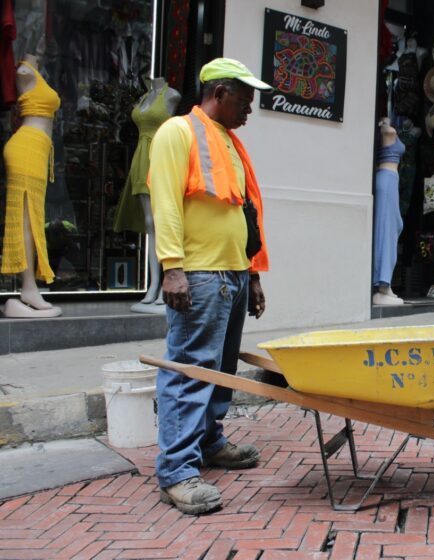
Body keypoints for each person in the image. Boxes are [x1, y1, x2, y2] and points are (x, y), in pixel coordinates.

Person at [148, 58, 271, 515]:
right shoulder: (178, 133)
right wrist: (172, 267)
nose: (250, 109)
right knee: (189, 369)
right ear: (219, 93)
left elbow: (245, 213)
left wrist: (252, 274)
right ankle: (177, 471)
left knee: (219, 370)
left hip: (232, 274)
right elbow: (165, 202)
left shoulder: (230, 144)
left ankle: (210, 440)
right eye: (245, 99)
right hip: (199, 274)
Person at [1, 52, 62, 318]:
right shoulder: (25, 73)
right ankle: (28, 287)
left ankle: (29, 288)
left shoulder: (35, 73)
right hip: (27, 148)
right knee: (27, 219)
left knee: (33, 219)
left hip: (36, 149)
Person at [113, 76, 181, 313]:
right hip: (141, 156)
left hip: (159, 154)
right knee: (150, 223)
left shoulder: (171, 95)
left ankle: (164, 282)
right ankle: (152, 285)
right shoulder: (144, 96)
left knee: (161, 220)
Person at [372, 116, 405, 305]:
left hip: (390, 179)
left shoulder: (387, 129)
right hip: (387, 179)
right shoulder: (386, 129)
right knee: (387, 231)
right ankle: (381, 286)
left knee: (393, 229)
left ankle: (386, 284)